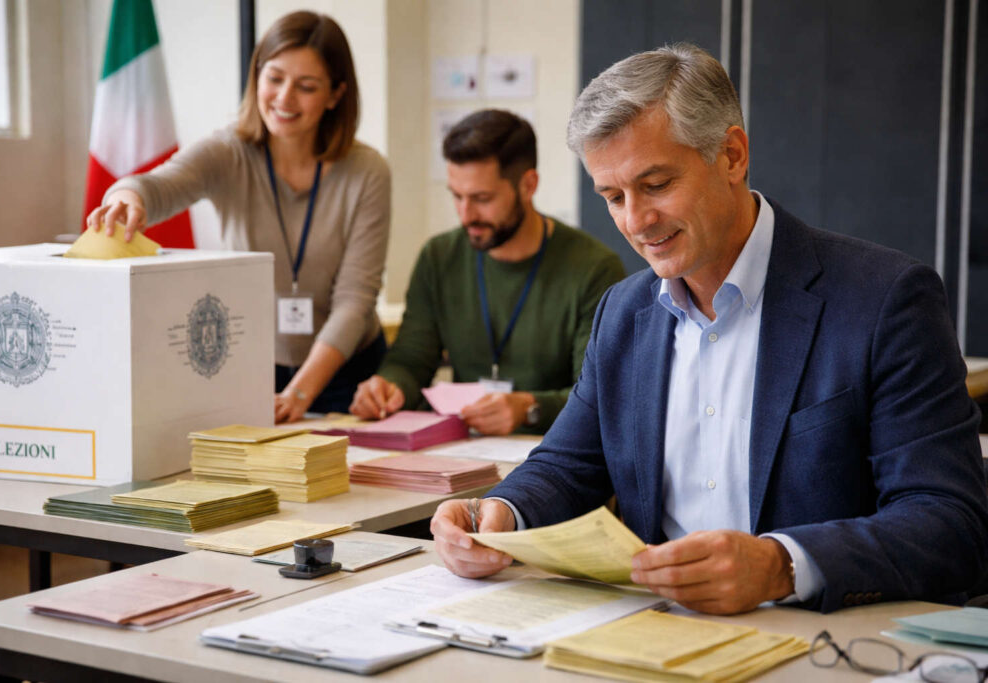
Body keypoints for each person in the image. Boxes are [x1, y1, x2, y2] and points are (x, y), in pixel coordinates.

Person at [431, 44, 988, 614]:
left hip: (819, 636)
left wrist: (781, 565)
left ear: (731, 155)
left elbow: (951, 522)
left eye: (656, 185)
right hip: (655, 635)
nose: (636, 221)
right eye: (613, 197)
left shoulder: (885, 298)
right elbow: (568, 464)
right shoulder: (623, 314)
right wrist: (498, 512)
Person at [85, 11, 391, 423]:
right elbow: (158, 185)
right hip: (251, 364)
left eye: (306, 86)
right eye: (275, 78)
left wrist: (300, 392)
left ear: (335, 95)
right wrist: (126, 196)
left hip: (345, 373)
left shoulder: (367, 171)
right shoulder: (229, 151)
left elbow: (354, 301)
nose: (284, 98)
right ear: (257, 76)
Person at [350, 110, 625, 435]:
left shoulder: (593, 269)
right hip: (461, 450)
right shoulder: (439, 257)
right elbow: (412, 358)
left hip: (554, 453)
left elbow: (599, 397)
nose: (466, 215)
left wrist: (528, 408)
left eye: (482, 199)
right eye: (457, 196)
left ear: (528, 185)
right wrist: (389, 386)